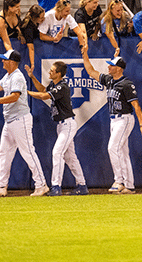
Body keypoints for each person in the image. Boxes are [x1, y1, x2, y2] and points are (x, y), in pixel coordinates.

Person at [81, 48, 142, 194]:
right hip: (114, 120)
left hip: (124, 119)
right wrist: (85, 54)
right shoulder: (109, 80)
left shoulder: (126, 84)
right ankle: (129, 185)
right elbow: (91, 71)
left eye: (111, 65)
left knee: (112, 147)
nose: (108, 67)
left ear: (118, 68)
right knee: (123, 152)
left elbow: (136, 105)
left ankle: (119, 181)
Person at [0, 50, 48, 197]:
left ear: (12, 62)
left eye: (5, 59)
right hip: (10, 121)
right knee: (4, 153)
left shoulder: (17, 76)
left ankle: (41, 184)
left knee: (28, 152)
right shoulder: (8, 75)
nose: (3, 61)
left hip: (20, 119)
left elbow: (14, 97)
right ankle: (1, 186)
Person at [26, 61, 89, 196]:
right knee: (70, 157)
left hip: (68, 124)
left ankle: (56, 187)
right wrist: (32, 77)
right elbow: (43, 90)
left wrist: (26, 92)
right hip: (61, 125)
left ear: (58, 74)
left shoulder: (62, 86)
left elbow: (44, 96)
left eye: (52, 70)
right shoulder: (54, 85)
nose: (50, 71)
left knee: (57, 153)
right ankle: (82, 185)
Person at [20, 4, 46, 69]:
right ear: (35, 17)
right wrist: (32, 63)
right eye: (41, 18)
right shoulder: (28, 28)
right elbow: (31, 47)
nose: (44, 19)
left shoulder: (37, 22)